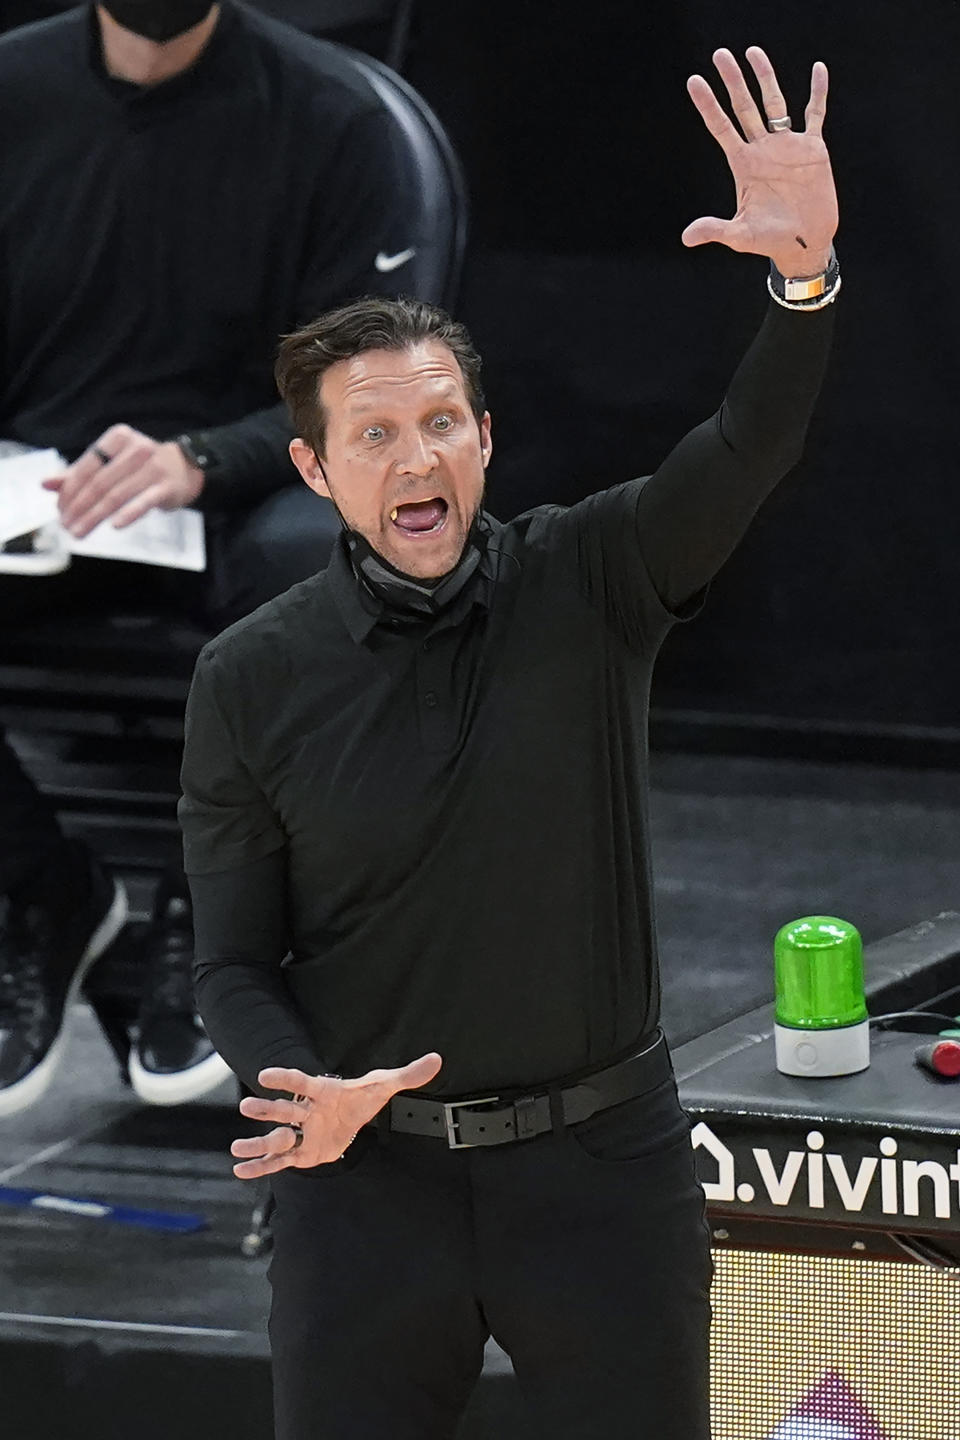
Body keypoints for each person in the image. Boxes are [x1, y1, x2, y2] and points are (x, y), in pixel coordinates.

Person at [179, 46, 839, 1440]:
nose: (415, 460)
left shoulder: (593, 576)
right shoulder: (249, 676)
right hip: (366, 1187)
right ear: (313, 468)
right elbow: (234, 962)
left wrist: (803, 286)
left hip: (603, 1170)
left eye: (440, 424)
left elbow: (747, 446)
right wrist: (298, 1090)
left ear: (485, 436)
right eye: (374, 434)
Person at [0, 0, 435, 1115]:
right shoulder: (15, 91)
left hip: (241, 490)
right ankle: (39, 890)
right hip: (37, 486)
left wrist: (203, 457)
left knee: (323, 554)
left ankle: (222, 916)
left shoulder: (337, 119)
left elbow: (377, 377)